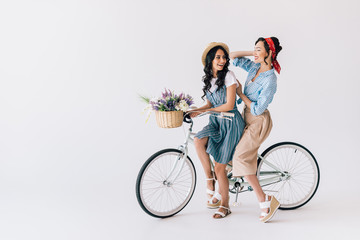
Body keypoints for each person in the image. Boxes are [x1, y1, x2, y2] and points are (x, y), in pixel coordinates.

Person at [188, 42, 245, 219]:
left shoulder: (229, 75)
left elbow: (229, 105)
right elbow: (211, 103)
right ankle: (209, 178)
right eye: (218, 57)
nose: (222, 60)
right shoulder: (209, 79)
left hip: (231, 123)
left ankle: (225, 206)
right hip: (216, 121)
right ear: (210, 60)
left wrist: (206, 111)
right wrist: (197, 110)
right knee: (198, 140)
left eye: (224, 57)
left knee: (220, 167)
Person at [230, 37, 282, 223]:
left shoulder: (270, 79)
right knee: (229, 148)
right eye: (255, 49)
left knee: (240, 157)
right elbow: (232, 56)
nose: (255, 53)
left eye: (259, 49)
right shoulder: (254, 67)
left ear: (269, 53)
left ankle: (264, 199)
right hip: (245, 116)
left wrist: (240, 94)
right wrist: (252, 52)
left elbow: (258, 109)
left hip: (258, 121)